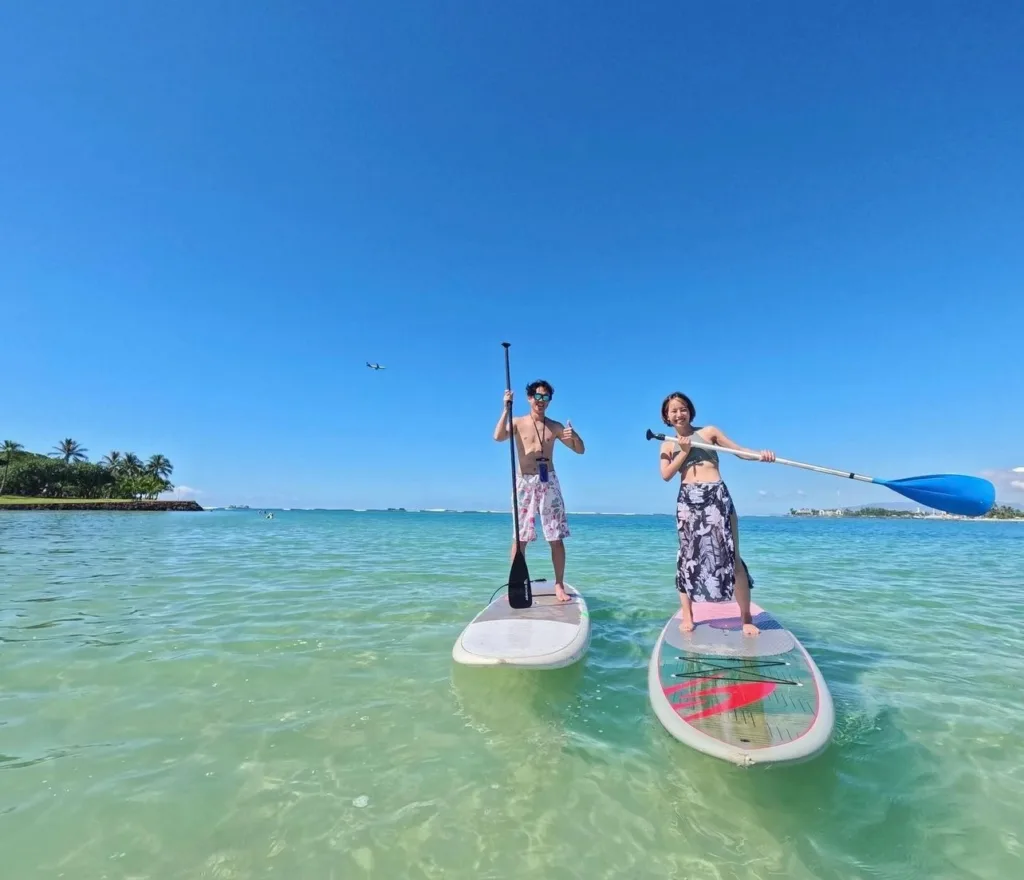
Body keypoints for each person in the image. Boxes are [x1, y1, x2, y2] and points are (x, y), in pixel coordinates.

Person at [657, 391, 774, 636]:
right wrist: (685, 451)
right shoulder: (667, 443)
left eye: (683, 408)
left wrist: (760, 456)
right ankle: (688, 615)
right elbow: (666, 475)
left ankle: (746, 617)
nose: (679, 413)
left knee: (732, 555)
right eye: (673, 411)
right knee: (687, 557)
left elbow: (739, 451)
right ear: (666, 417)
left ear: (690, 410)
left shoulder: (709, 432)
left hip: (716, 497)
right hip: (688, 501)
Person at [494, 379, 585, 602]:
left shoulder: (554, 426)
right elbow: (498, 436)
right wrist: (506, 409)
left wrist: (573, 436)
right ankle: (516, 584)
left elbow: (580, 450)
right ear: (529, 397)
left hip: (548, 482)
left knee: (556, 536)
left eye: (546, 397)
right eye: (537, 396)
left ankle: (559, 585)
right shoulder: (517, 422)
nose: (541, 401)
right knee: (520, 537)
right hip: (524, 482)